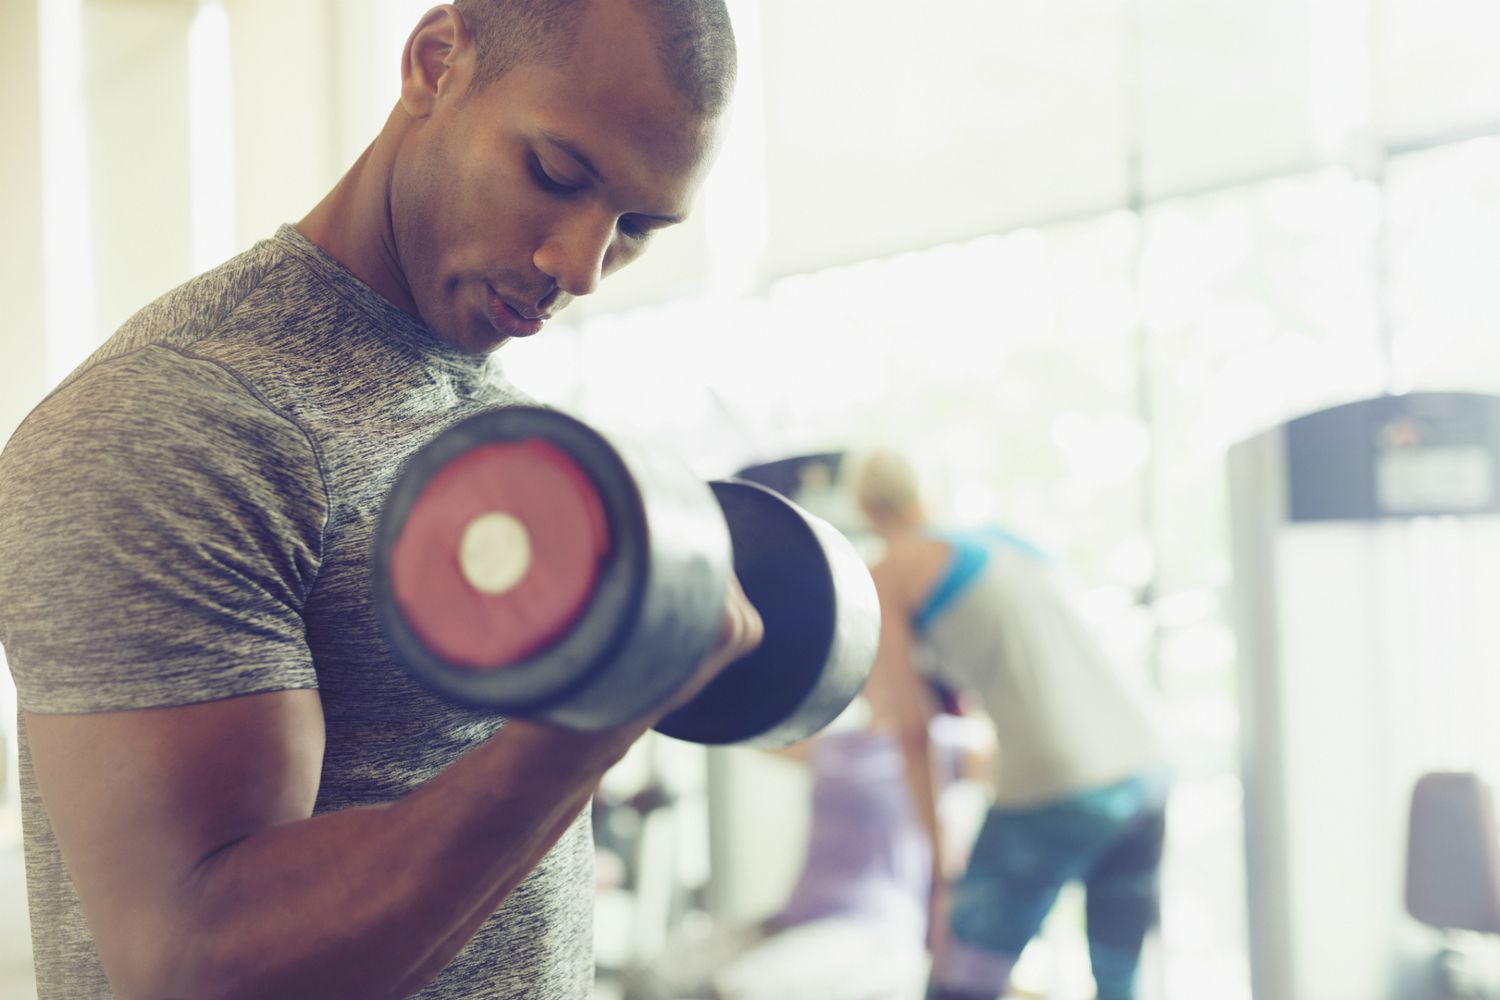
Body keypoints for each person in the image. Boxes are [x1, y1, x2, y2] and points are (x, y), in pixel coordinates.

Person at [0, 3, 759, 998]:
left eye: (638, 228)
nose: (580, 264)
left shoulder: (493, 411)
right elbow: (193, 963)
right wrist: (597, 714)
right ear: (436, 63)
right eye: (558, 176)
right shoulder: (177, 418)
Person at [849, 452, 1171, 1000]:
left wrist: (938, 873)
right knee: (1119, 982)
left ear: (866, 510)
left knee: (959, 983)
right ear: (920, 494)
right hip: (1145, 765)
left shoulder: (890, 571)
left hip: (1060, 783)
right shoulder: (1003, 542)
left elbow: (908, 727)